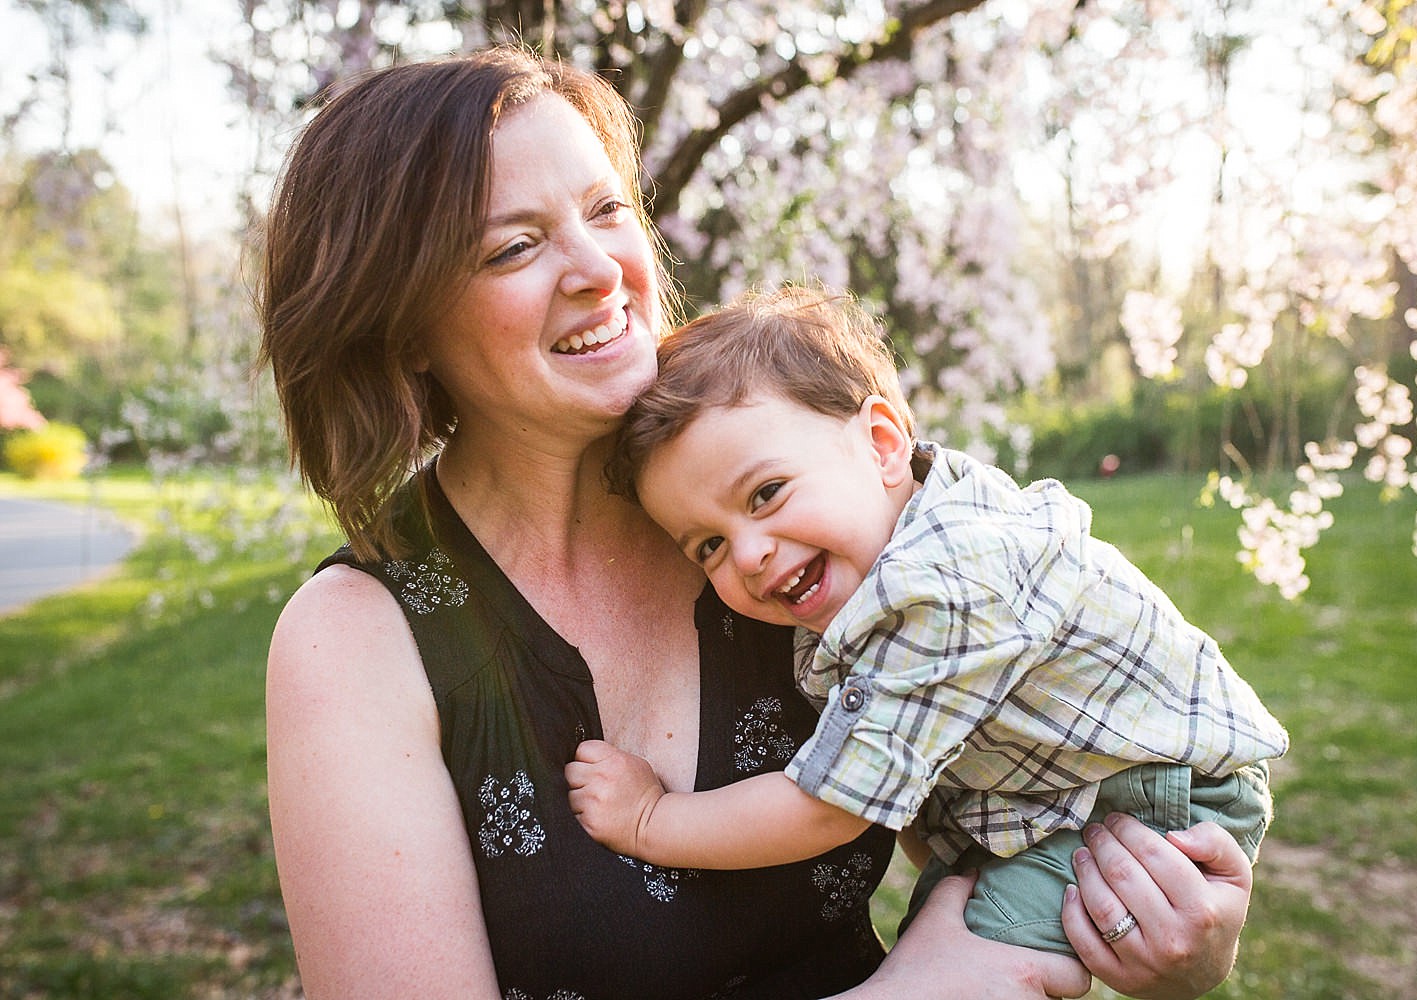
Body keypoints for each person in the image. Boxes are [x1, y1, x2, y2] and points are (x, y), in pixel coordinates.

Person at [258, 44, 1253, 1000]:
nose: (601, 269)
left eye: (608, 209)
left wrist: (1170, 943)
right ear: (400, 326)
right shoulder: (359, 639)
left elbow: (1012, 799)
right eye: (515, 245)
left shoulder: (775, 526)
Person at [568, 284, 1288, 959]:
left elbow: (828, 808)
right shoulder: (905, 529)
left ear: (883, 443)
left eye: (765, 494)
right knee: (939, 930)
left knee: (963, 955)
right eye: (709, 545)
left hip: (1157, 792)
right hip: (1074, 785)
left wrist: (648, 821)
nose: (750, 555)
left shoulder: (947, 581)